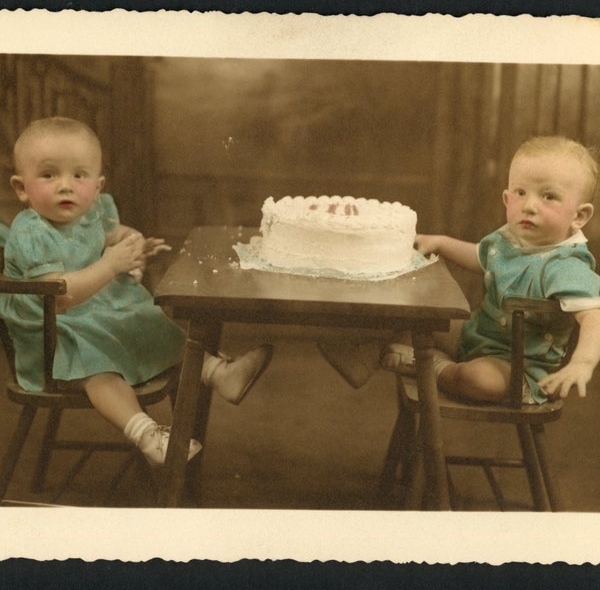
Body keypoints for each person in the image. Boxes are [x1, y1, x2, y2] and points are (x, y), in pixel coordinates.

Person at [0, 116, 273, 467]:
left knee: (146, 317)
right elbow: (59, 295)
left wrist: (134, 244)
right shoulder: (32, 233)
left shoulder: (90, 211)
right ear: (22, 189)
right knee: (98, 365)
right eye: (49, 175)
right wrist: (111, 265)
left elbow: (114, 233)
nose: (65, 186)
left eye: (78, 175)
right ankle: (145, 433)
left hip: (91, 312)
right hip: (52, 333)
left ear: (97, 187)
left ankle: (217, 372)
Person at [321, 136, 600, 404]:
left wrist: (582, 363)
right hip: (475, 335)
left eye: (549, 196)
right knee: (420, 316)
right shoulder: (510, 240)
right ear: (506, 198)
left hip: (516, 368)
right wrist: (441, 242)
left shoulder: (565, 266)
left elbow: (593, 316)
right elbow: (480, 256)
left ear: (579, 216)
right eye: (520, 193)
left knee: (476, 379)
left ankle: (431, 366)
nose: (529, 206)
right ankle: (363, 358)